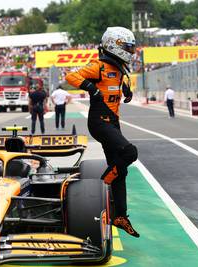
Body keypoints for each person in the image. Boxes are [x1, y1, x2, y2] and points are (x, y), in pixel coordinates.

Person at [66, 27, 139, 237]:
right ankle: (100, 185)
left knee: (122, 172)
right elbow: (72, 76)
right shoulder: (98, 66)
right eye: (127, 47)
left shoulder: (120, 69)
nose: (130, 51)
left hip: (113, 123)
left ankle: (120, 216)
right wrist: (91, 88)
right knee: (129, 153)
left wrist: (126, 89)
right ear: (114, 45)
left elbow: (119, 81)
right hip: (100, 122)